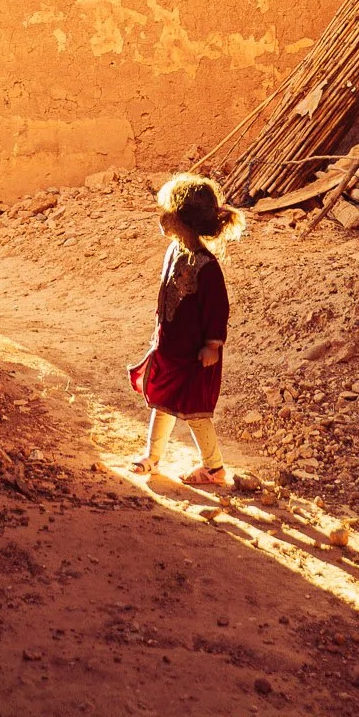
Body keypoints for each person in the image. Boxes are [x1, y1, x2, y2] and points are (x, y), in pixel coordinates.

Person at [128, 172, 242, 489]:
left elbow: (217, 309)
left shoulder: (207, 266)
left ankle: (214, 468)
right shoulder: (174, 252)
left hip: (195, 357)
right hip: (169, 350)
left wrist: (212, 345)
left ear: (184, 220)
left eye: (169, 212)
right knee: (161, 403)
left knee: (195, 413)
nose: (162, 218)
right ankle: (152, 457)